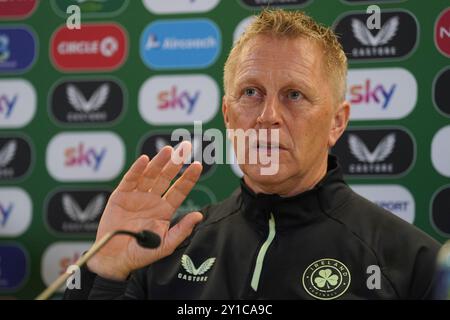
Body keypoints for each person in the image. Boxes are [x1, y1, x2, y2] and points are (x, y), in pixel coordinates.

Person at [64, 9, 440, 300]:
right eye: (251, 93)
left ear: (336, 123)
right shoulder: (160, 250)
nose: (268, 117)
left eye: (294, 95)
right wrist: (106, 269)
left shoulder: (413, 262)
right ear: (228, 115)